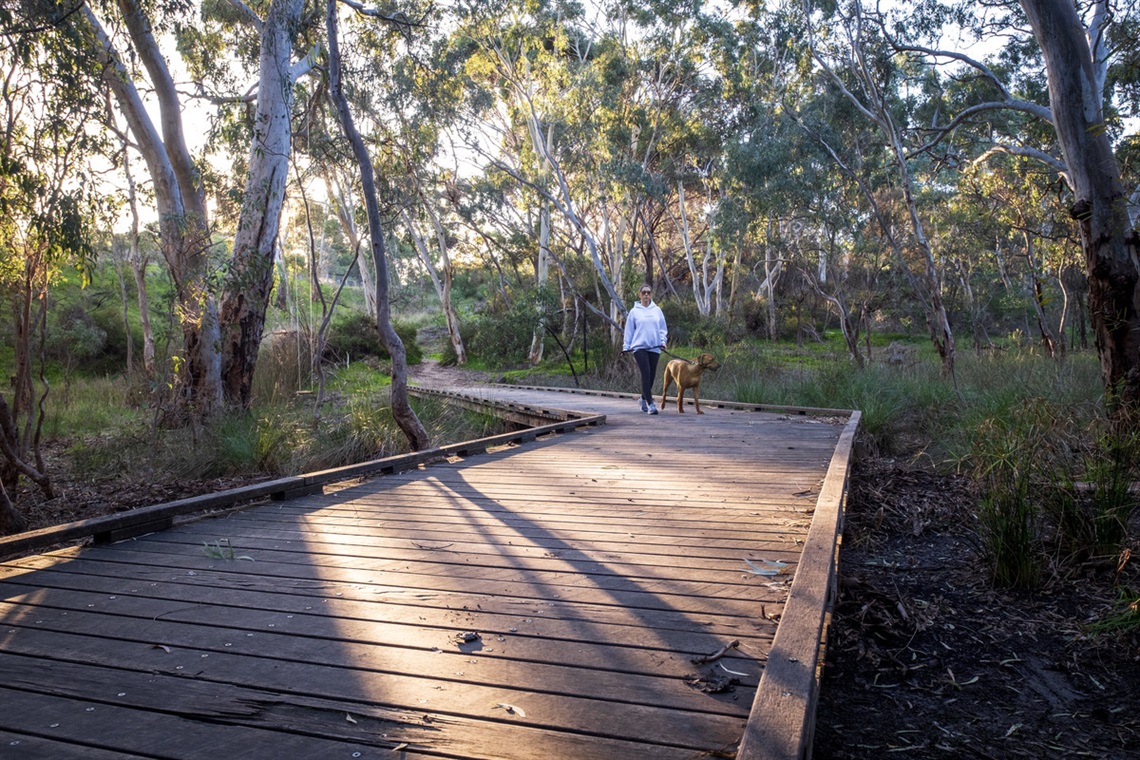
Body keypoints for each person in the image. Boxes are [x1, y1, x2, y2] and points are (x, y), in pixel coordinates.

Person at [622, 283, 668, 415]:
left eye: (648, 292)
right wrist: (626, 347)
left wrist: (663, 341)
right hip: (639, 347)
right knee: (646, 374)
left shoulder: (657, 310)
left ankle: (642, 398)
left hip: (654, 347)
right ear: (640, 294)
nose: (646, 294)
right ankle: (651, 404)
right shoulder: (634, 311)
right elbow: (629, 331)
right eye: (644, 292)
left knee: (652, 376)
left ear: (651, 294)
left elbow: (662, 328)